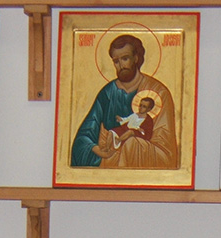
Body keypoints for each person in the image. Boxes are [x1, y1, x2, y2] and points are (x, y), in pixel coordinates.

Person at [70, 34, 177, 169]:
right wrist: (97, 150)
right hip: (108, 161)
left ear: (136, 58)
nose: (121, 65)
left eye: (125, 58)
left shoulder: (159, 92)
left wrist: (131, 144)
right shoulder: (107, 93)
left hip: (143, 157)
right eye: (116, 61)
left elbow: (165, 148)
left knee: (131, 143)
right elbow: (85, 136)